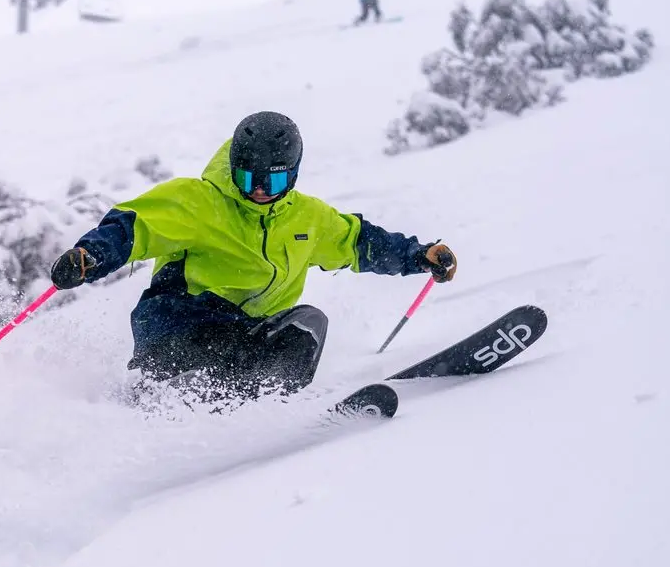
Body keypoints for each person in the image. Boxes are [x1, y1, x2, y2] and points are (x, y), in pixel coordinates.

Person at [47, 111, 456, 401]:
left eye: (274, 178)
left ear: (292, 173)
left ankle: (252, 413)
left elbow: (360, 242)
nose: (260, 189)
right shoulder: (197, 201)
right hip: (181, 325)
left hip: (246, 336)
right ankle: (170, 399)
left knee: (305, 326)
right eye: (249, 178)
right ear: (234, 166)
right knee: (236, 340)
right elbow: (134, 226)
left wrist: (419, 256)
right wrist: (91, 255)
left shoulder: (308, 218)